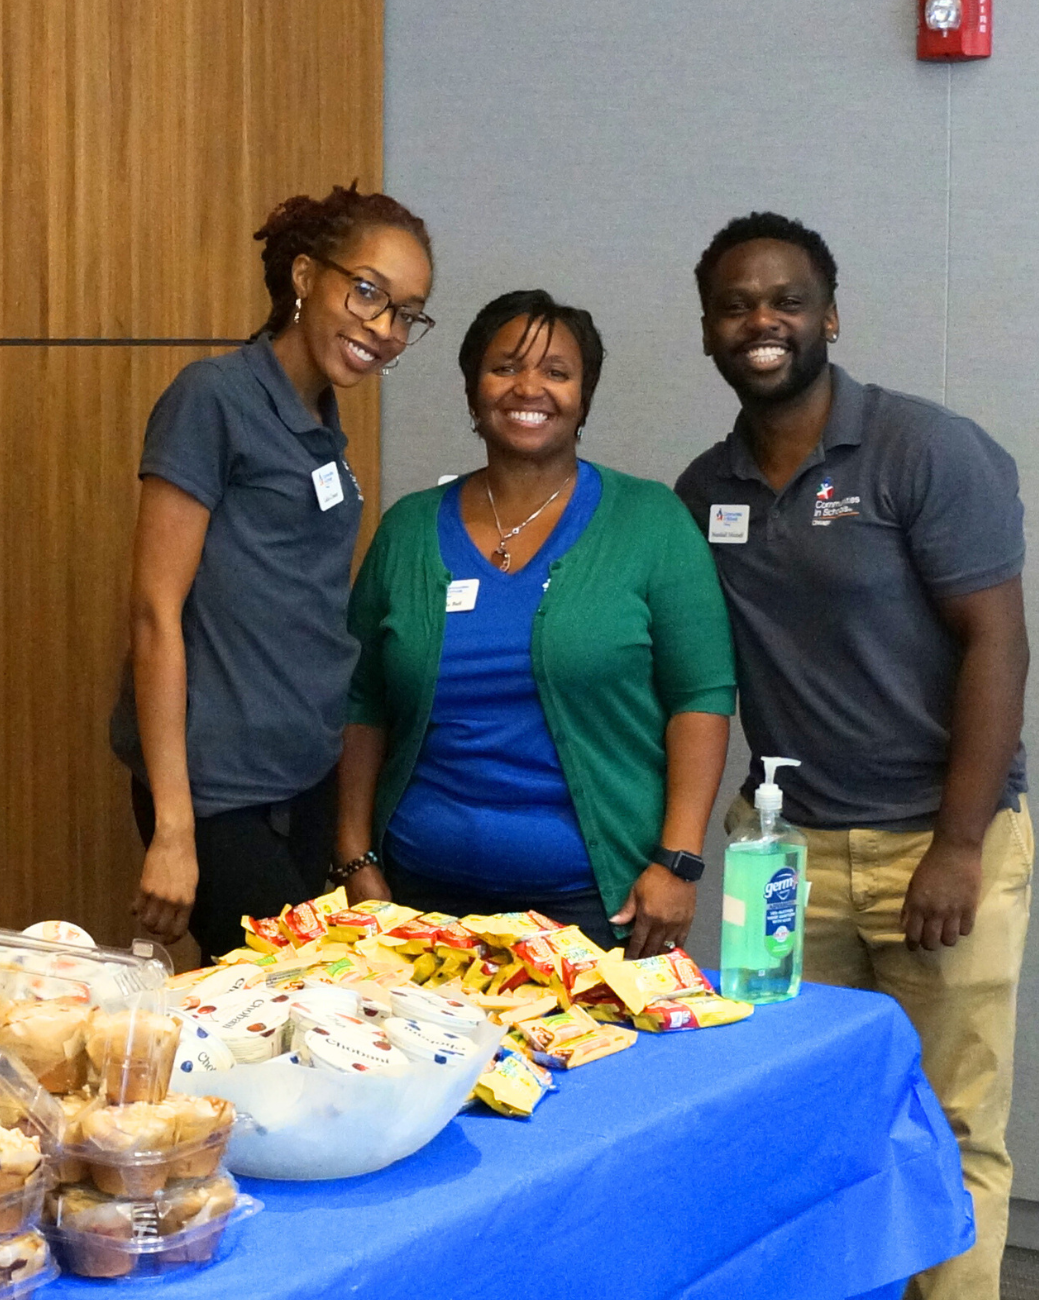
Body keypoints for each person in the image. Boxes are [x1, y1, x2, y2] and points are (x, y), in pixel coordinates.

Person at [675, 212, 1031, 1300]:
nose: (762, 321)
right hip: (785, 859)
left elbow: (998, 643)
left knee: (948, 1121)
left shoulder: (924, 449)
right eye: (736, 305)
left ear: (828, 317)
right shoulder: (704, 490)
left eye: (786, 301)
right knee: (797, 1109)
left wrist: (958, 845)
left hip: (938, 842)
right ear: (709, 329)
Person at [335, 290, 736, 956]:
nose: (529, 387)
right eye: (505, 367)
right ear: (473, 390)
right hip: (415, 904)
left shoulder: (650, 522)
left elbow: (702, 697)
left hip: (594, 907)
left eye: (557, 371)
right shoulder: (408, 529)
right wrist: (354, 856)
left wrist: (677, 861)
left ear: (584, 395)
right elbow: (362, 701)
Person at [108, 183, 435, 960]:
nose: (384, 329)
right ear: (304, 275)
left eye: (405, 313)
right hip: (219, 795)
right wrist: (175, 829)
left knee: (294, 1012)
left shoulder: (322, 420)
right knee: (292, 996)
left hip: (305, 780)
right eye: (367, 292)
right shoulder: (215, 398)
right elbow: (155, 613)